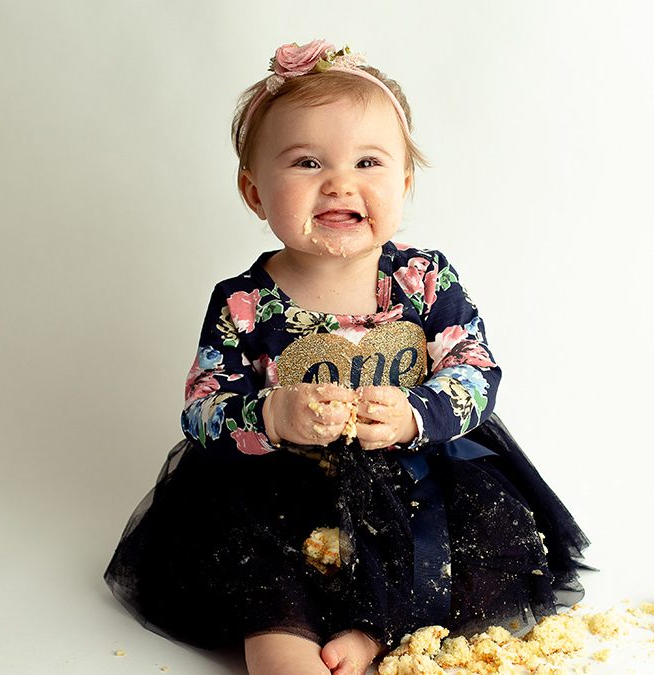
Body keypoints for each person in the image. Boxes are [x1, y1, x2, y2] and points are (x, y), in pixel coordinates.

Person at [104, 40, 589, 675]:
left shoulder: (425, 281)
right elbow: (201, 407)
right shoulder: (246, 302)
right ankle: (285, 648)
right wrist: (272, 414)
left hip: (415, 476)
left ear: (405, 182)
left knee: (468, 552)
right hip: (282, 486)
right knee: (264, 574)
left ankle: (378, 631)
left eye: (368, 161)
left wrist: (418, 413)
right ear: (255, 192)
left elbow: (475, 368)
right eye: (307, 162)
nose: (340, 183)